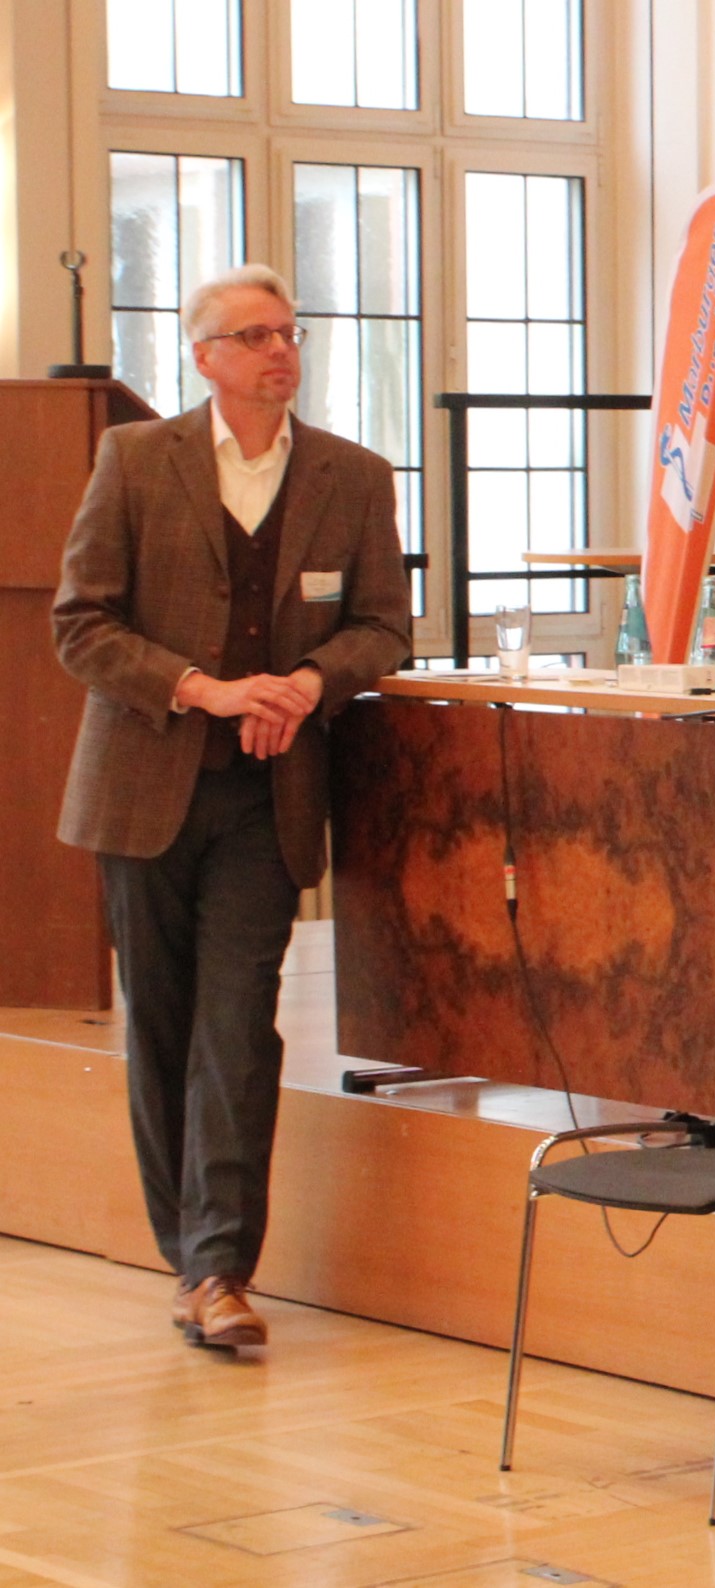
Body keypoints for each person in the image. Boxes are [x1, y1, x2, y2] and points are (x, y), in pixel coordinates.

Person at [52, 264, 411, 1350]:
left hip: (269, 795)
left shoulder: (352, 477)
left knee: (236, 1027)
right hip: (146, 789)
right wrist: (201, 688)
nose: (278, 353)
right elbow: (81, 624)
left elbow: (384, 628)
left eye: (289, 333)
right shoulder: (135, 461)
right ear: (201, 357)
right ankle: (189, 1254)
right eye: (252, 336)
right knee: (161, 1027)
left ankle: (219, 1267)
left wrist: (306, 685)